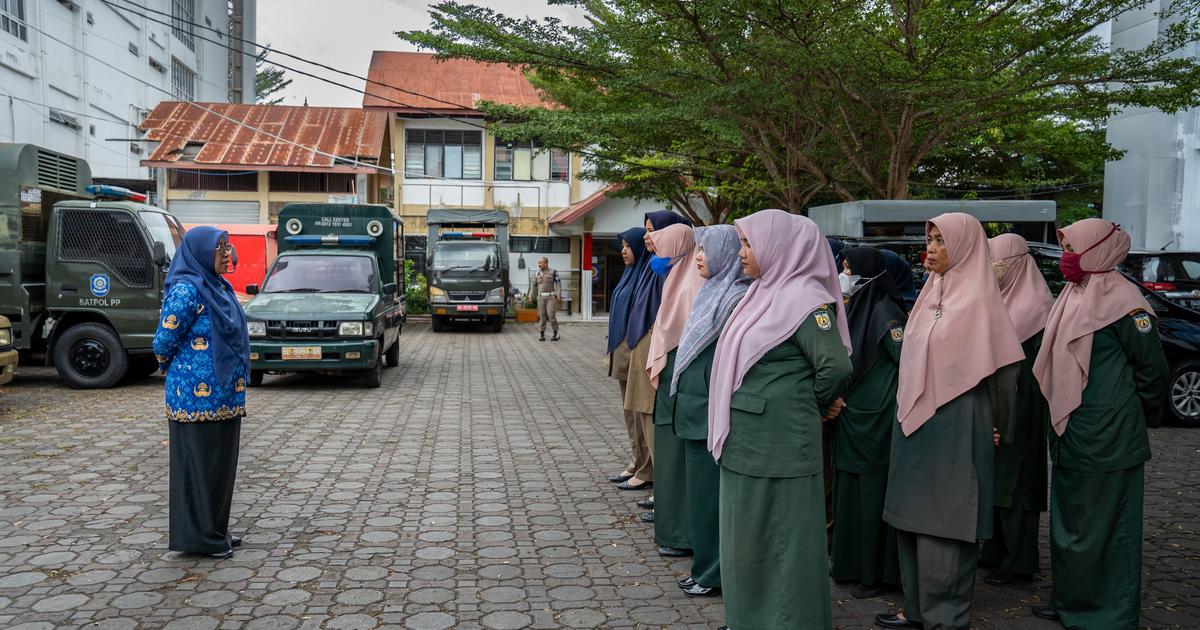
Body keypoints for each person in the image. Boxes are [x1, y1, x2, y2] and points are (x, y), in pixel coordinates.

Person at [876, 213, 1025, 630]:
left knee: (947, 520)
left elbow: (1006, 376)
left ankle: (946, 616)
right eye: (931, 239)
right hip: (914, 425)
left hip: (960, 421)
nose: (933, 249)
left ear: (964, 247)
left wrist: (998, 426)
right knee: (911, 517)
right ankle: (917, 608)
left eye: (942, 241)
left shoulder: (980, 301)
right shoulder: (929, 294)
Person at [709, 209, 853, 630]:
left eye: (749, 244)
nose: (741, 253)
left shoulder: (807, 300)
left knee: (786, 542)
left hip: (782, 444)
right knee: (747, 538)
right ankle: (748, 618)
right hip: (748, 442)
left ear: (780, 248)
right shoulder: (760, 293)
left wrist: (808, 403)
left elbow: (836, 368)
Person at [1030, 219, 1169, 629]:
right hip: (1072, 430)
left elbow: (1153, 370)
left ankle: (1108, 612)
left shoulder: (1127, 303)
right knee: (1071, 520)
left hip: (1111, 435)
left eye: (1074, 247)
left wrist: (1136, 416)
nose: (1067, 257)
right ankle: (1071, 599)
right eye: (1066, 247)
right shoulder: (1075, 293)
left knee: (1109, 526)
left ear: (1099, 250)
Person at [154, 227, 250, 560]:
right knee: (198, 467)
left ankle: (216, 529)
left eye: (227, 246)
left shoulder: (218, 287)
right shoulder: (187, 290)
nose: (227, 253)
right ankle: (200, 539)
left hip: (225, 398)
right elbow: (162, 343)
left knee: (219, 467)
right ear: (198, 253)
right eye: (219, 248)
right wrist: (179, 367)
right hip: (193, 400)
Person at [668, 224, 750, 599]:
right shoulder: (712, 291)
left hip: (710, 413)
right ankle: (703, 565)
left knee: (711, 501)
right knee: (699, 500)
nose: (699, 256)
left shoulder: (736, 297)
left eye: (706, 249)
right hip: (694, 408)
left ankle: (713, 573)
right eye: (698, 249)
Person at [829, 246, 906, 599]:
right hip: (852, 417)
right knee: (851, 494)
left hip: (876, 422)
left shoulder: (886, 312)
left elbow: (905, 360)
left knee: (871, 496)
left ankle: (872, 575)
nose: (845, 276)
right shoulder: (857, 307)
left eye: (850, 268)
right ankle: (848, 566)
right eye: (843, 267)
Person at [980, 233, 1054, 586]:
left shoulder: (1039, 310)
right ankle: (994, 552)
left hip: (1025, 408)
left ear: (1016, 265)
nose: (992, 269)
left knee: (1019, 481)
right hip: (998, 404)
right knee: (996, 478)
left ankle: (1020, 561)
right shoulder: (997, 302)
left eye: (998, 262)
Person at [618, 211, 693, 503]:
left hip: (658, 353)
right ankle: (652, 477)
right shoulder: (655, 266)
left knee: (653, 419)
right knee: (641, 415)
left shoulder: (671, 270)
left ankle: (663, 487)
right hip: (643, 348)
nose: (649, 237)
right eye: (647, 231)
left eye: (654, 231)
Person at [646, 223, 706, 559]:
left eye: (662, 246)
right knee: (668, 459)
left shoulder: (694, 281)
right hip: (672, 379)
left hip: (684, 379)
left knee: (680, 461)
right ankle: (668, 527)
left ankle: (681, 532)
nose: (657, 255)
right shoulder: (676, 276)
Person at [605, 228, 653, 490]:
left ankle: (646, 469)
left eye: (627, 245)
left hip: (634, 350)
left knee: (638, 413)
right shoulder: (629, 274)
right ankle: (637, 462)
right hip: (622, 351)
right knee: (629, 413)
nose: (623, 250)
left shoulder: (646, 276)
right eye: (621, 245)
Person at [534, 257, 561, 341]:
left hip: (551, 297)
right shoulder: (537, 273)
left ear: (545, 263)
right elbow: (533, 286)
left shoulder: (553, 272)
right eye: (538, 263)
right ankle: (542, 334)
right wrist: (530, 296)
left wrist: (558, 294)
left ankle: (556, 334)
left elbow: (558, 284)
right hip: (541, 297)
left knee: (551, 315)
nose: (539, 265)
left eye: (540, 263)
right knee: (542, 316)